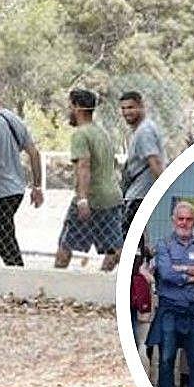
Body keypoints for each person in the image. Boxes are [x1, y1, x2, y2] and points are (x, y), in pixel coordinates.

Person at [145, 201, 194, 387]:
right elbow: (165, 273)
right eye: (180, 219)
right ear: (173, 221)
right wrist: (191, 276)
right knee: (166, 358)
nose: (184, 223)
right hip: (169, 310)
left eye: (189, 219)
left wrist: (181, 269)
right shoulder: (163, 244)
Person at [0, 78, 44, 267]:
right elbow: (34, 153)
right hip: (16, 189)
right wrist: (37, 186)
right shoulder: (14, 119)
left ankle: (14, 273)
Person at [54, 89, 124, 271]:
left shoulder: (80, 134)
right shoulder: (102, 133)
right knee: (115, 247)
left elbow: (83, 166)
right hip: (112, 198)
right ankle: (104, 278)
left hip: (91, 198)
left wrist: (82, 199)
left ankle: (53, 285)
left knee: (66, 244)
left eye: (69, 105)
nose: (68, 110)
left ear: (77, 107)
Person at [119, 91, 167, 245]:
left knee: (128, 244)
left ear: (141, 106)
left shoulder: (144, 132)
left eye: (131, 107)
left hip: (139, 196)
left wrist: (164, 190)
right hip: (137, 194)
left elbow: (155, 163)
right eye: (124, 108)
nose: (127, 112)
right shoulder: (141, 130)